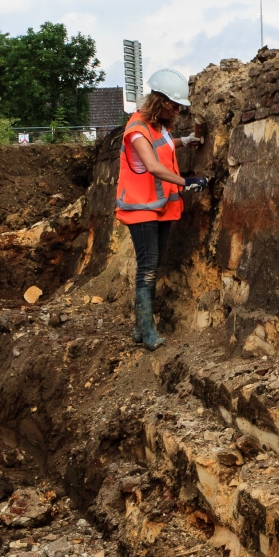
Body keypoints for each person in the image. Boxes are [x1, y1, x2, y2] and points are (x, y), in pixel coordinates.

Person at [114, 68, 207, 349]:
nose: (178, 111)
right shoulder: (136, 130)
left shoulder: (158, 126)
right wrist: (186, 182)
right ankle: (147, 331)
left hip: (159, 207)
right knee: (147, 268)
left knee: (152, 265)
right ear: (162, 102)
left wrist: (185, 140)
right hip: (141, 208)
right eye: (175, 106)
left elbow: (163, 146)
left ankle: (139, 327)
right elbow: (152, 165)